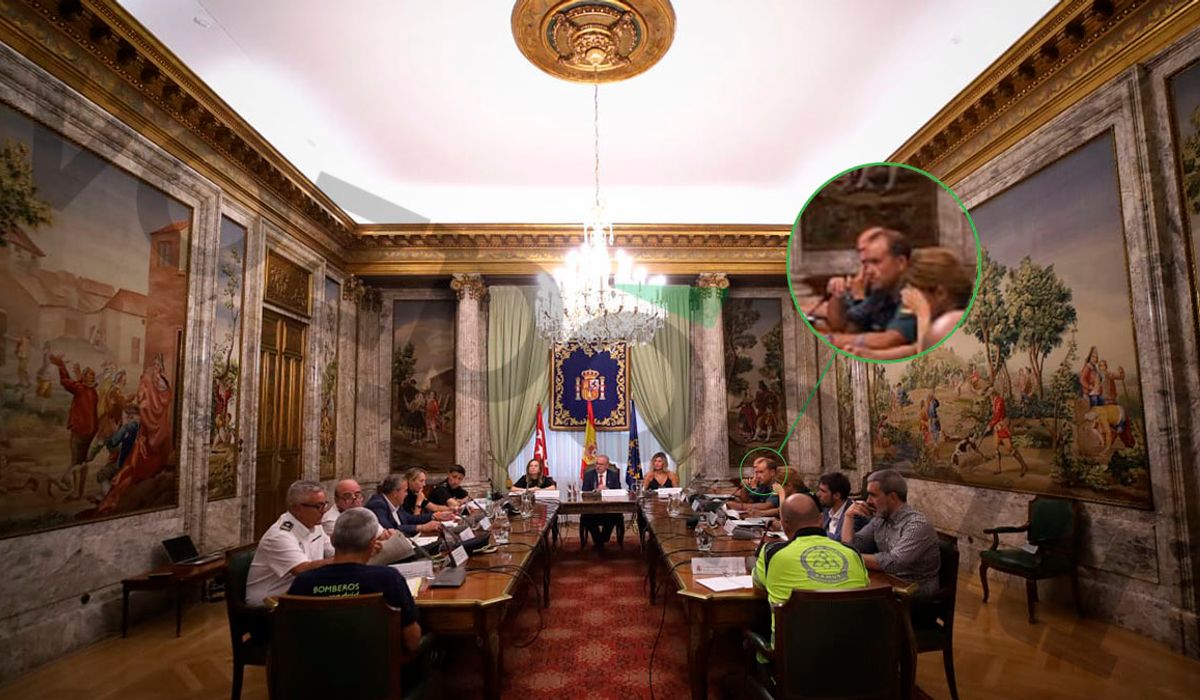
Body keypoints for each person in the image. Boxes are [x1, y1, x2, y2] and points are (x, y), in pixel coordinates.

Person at [287, 507, 423, 655]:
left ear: (332, 540)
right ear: (372, 544)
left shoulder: (303, 582)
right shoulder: (388, 579)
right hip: (376, 666)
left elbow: (289, 636)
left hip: (314, 666)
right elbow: (412, 641)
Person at [752, 493, 869, 651]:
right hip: (855, 655)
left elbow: (759, 590)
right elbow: (864, 590)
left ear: (784, 524)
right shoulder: (852, 553)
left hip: (794, 659)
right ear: (821, 519)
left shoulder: (771, 553)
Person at [841, 470, 940, 598]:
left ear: (892, 497)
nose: (868, 501)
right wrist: (848, 516)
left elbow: (894, 562)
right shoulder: (880, 519)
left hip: (914, 590)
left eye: (873, 495)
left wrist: (849, 556)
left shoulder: (917, 524)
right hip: (887, 581)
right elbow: (853, 546)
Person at [245, 480, 335, 607]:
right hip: (269, 603)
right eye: (318, 506)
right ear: (297, 508)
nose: (324, 511)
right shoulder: (279, 536)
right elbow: (303, 570)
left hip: (300, 593)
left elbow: (332, 552)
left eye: (325, 504)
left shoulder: (315, 525)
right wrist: (344, 559)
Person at [826, 228, 917, 351]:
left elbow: (891, 339)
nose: (868, 271)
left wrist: (830, 340)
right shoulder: (879, 289)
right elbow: (846, 327)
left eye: (875, 262)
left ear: (901, 262)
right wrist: (837, 296)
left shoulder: (914, 288)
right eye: (865, 263)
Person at [49, 354, 98, 502]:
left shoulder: (80, 389)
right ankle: (77, 490)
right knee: (82, 463)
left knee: (77, 462)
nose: (91, 377)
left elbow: (65, 381)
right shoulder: (92, 391)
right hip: (90, 431)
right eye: (90, 375)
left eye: (91, 375)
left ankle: (75, 491)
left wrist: (61, 366)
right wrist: (79, 377)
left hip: (80, 432)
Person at [364, 473, 449, 536]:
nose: (406, 494)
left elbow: (409, 518)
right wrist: (422, 527)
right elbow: (390, 530)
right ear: (395, 493)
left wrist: (434, 516)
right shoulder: (378, 505)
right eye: (405, 491)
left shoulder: (396, 503)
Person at [985, 385, 1029, 477]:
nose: (989, 397)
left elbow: (998, 415)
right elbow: (994, 415)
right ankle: (998, 468)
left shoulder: (1000, 401)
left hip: (1002, 425)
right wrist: (991, 424)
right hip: (997, 427)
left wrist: (990, 425)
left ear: (993, 394)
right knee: (995, 447)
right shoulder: (994, 401)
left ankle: (1023, 465)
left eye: (990, 395)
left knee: (1009, 448)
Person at [581, 454, 622, 550]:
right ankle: (599, 541)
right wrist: (595, 491)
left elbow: (619, 491)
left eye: (601, 464)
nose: (598, 466)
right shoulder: (589, 475)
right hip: (593, 508)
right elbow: (584, 492)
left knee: (614, 515)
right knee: (587, 517)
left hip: (609, 507)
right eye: (597, 464)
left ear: (607, 466)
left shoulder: (613, 475)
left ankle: (602, 539)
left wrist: (607, 489)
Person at [816, 472, 868, 542]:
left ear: (837, 495)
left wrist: (817, 531)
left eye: (823, 491)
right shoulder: (826, 508)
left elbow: (842, 541)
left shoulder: (855, 514)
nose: (818, 494)